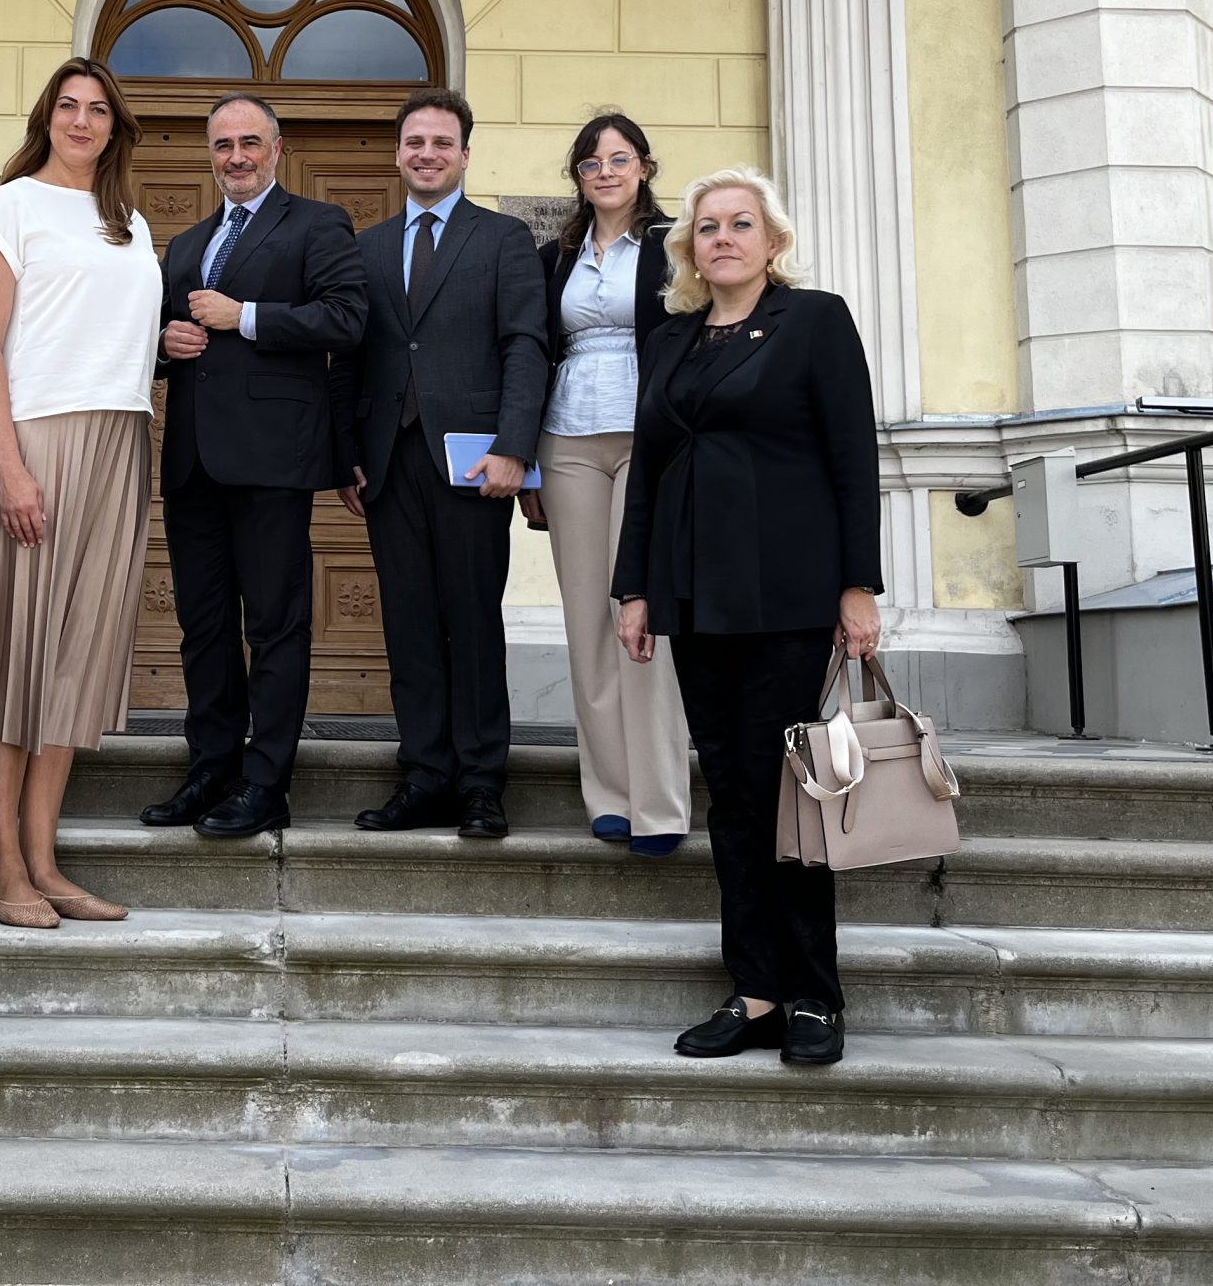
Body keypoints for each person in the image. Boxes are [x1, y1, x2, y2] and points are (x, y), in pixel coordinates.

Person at [611, 166, 883, 1070]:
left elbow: (852, 457)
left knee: (788, 793)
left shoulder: (814, 321)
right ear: (688, 249)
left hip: (787, 592)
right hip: (694, 593)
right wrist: (635, 589)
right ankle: (756, 990)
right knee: (730, 792)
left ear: (773, 242)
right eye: (708, 227)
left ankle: (813, 996)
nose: (722, 238)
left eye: (740, 224)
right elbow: (648, 472)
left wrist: (858, 586)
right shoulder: (672, 339)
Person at [0, 57, 162, 926]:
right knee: (18, 655)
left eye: (98, 109)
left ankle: (44, 860)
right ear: (47, 117)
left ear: (115, 126)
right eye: (68, 106)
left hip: (120, 440)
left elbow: (114, 331)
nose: (82, 121)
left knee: (73, 658)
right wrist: (8, 467)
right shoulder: (10, 207)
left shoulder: (129, 221)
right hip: (37, 439)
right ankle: (2, 867)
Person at [141, 93, 367, 838]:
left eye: (248, 143)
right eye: (222, 145)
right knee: (203, 625)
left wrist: (247, 317)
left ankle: (266, 781)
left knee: (274, 625)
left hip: (273, 460)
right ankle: (210, 767)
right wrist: (165, 346)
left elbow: (347, 319)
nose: (235, 157)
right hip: (193, 463)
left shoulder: (318, 223)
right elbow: (162, 337)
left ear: (276, 148)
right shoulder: (187, 243)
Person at [329, 86, 547, 841]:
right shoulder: (365, 247)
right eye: (415, 142)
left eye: (442, 143)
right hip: (389, 466)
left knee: (473, 622)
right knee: (410, 625)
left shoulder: (504, 239)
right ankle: (424, 775)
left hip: (475, 465)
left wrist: (515, 447)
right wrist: (347, 457)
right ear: (398, 154)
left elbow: (525, 346)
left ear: (465, 154)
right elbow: (348, 359)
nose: (427, 154)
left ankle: (481, 783)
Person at [522, 113, 693, 860]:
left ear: (644, 167)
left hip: (650, 441)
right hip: (567, 441)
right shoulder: (554, 255)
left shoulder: (674, 244)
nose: (605, 173)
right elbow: (534, 353)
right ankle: (611, 797)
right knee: (587, 620)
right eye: (591, 163)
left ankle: (660, 801)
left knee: (643, 615)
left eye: (619, 160)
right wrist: (526, 461)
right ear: (578, 177)